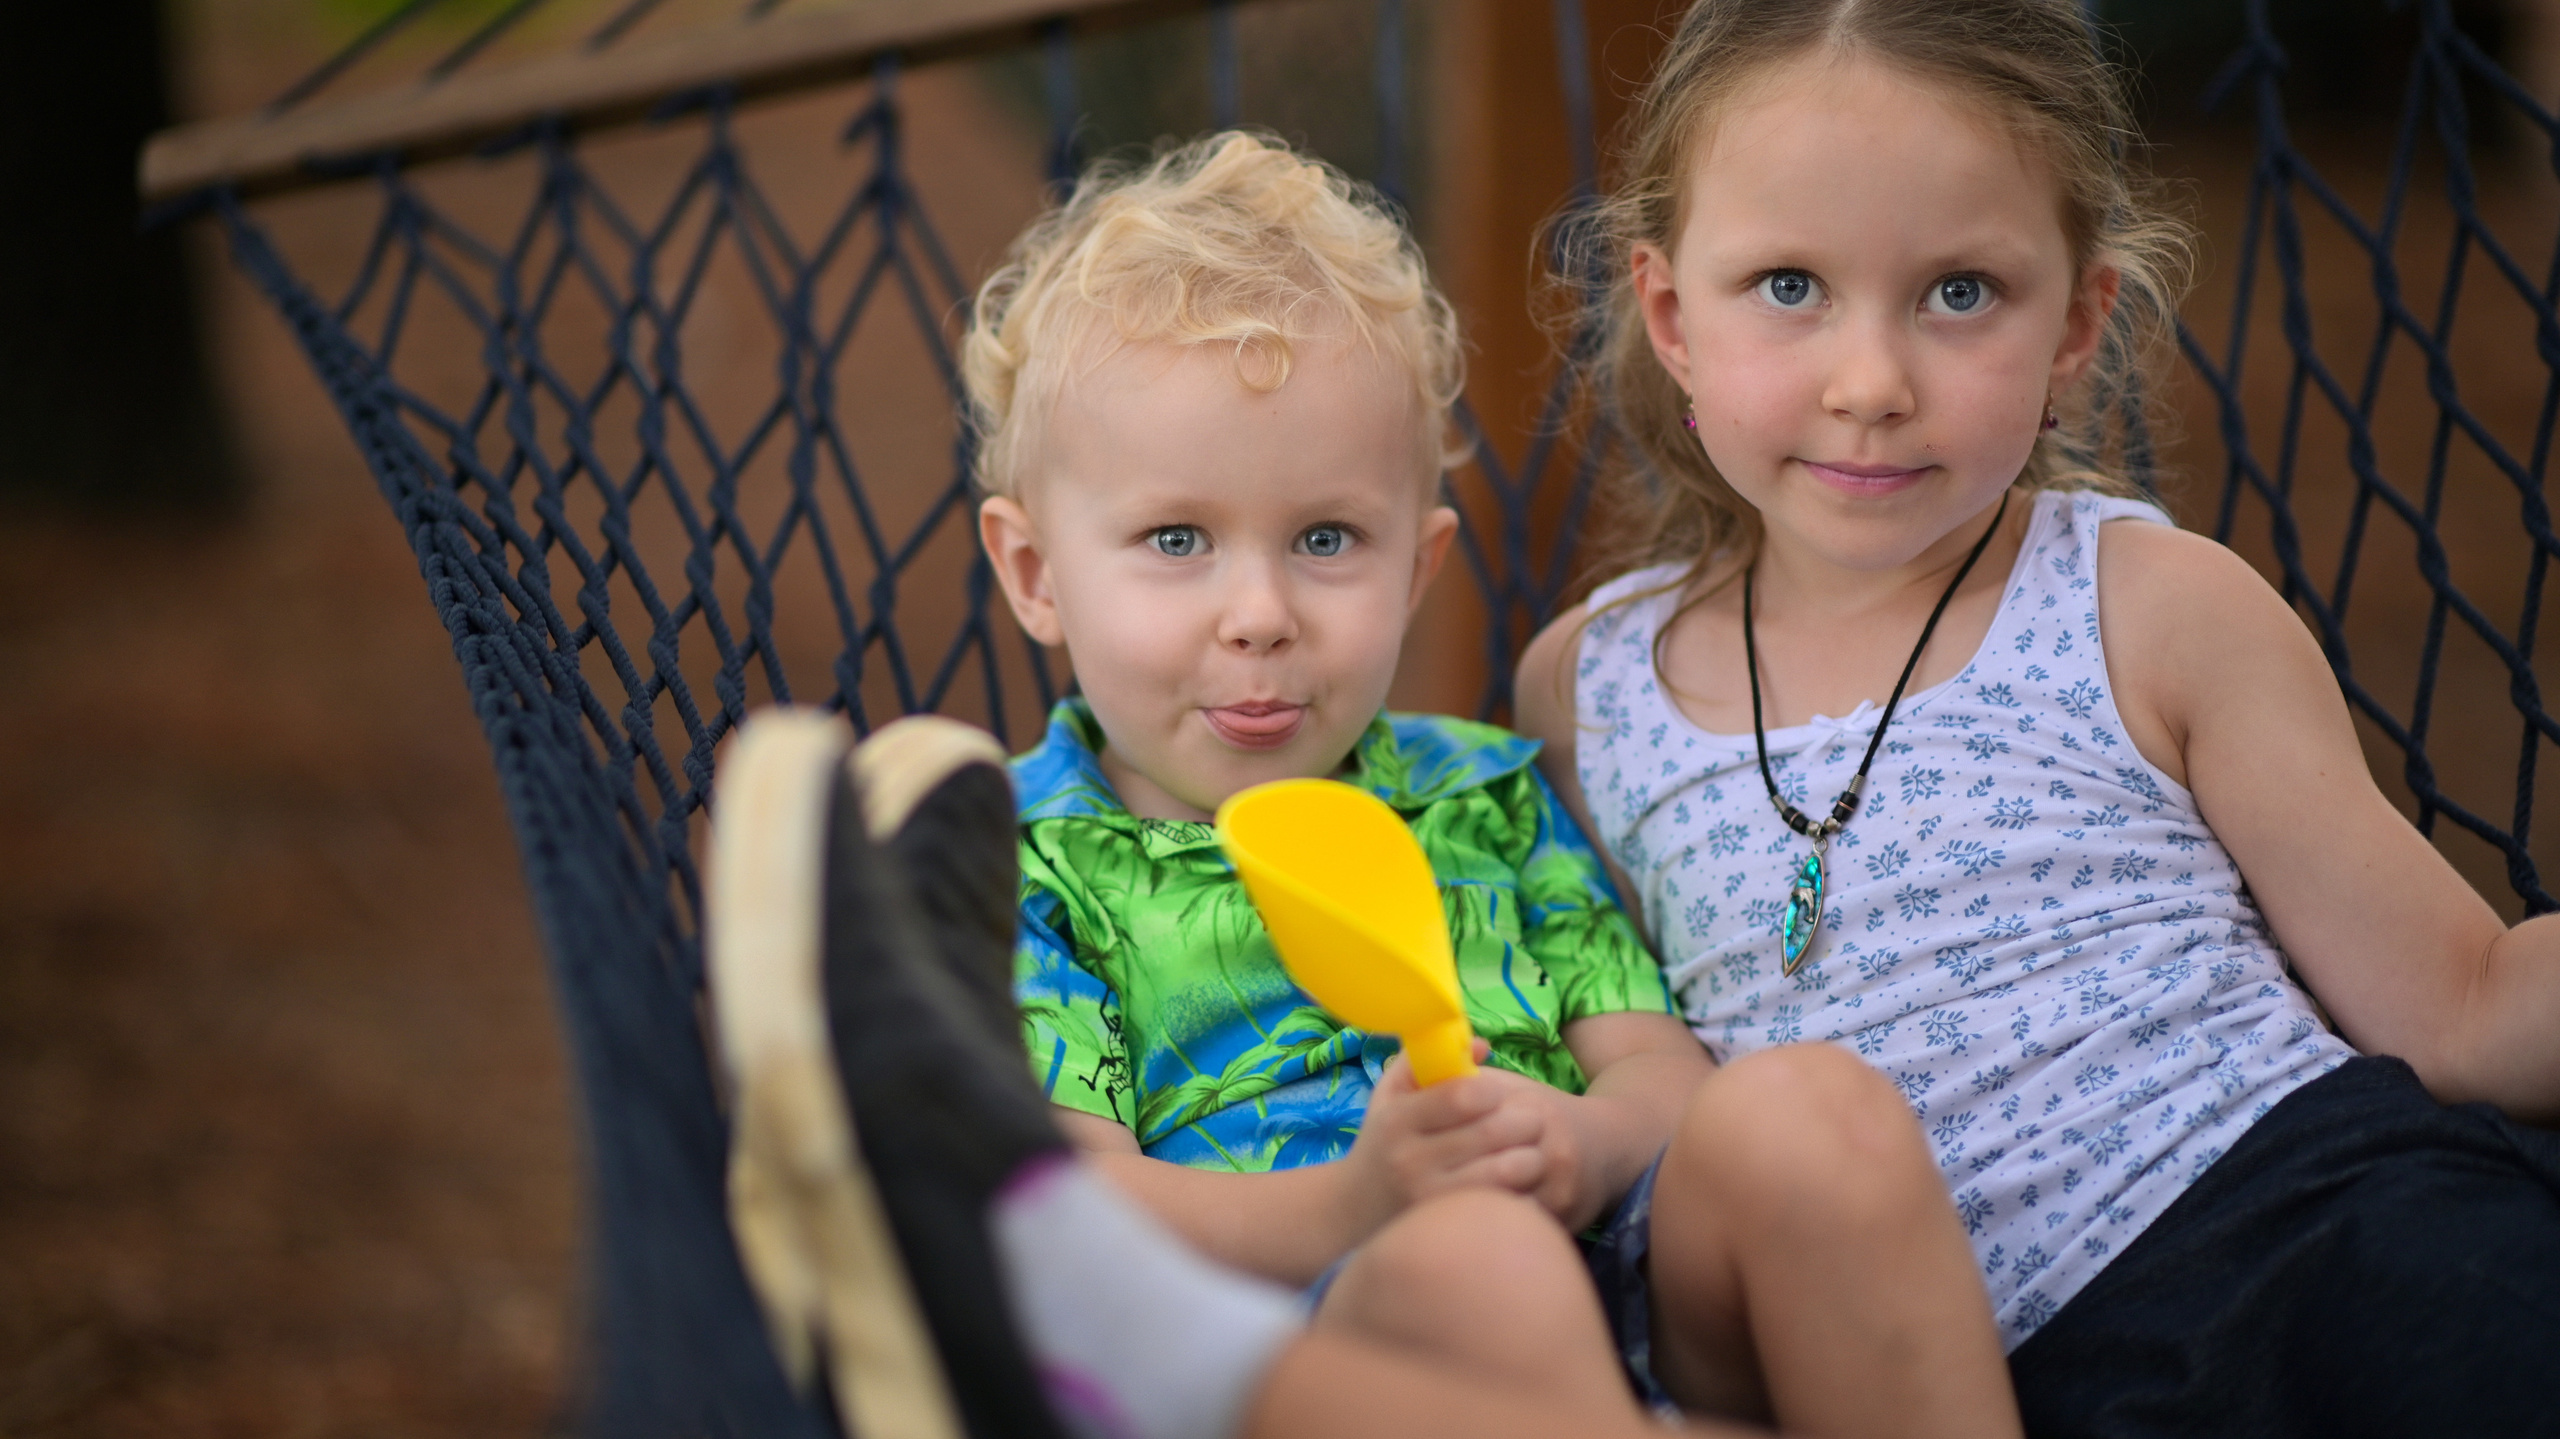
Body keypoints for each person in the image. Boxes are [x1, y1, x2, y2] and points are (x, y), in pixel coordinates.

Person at [1512, 2, 2560, 1435]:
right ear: (1672, 316)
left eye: (1958, 294)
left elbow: (2462, 1005)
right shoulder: (1589, 693)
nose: (1871, 385)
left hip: (2313, 1223)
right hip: (1945, 1375)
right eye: (1788, 286)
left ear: (2076, 321)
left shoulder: (2146, 605)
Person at [951, 131, 2017, 1433]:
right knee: (1476, 1255)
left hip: (1615, 1286)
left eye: (1327, 539)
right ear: (1035, 573)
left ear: (1419, 564)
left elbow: (1659, 1079)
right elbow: (1073, 1207)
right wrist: (1360, 1206)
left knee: (1816, 1113)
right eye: (1177, 540)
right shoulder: (1025, 859)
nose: (1260, 612)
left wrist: (1582, 1145)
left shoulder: (1484, 798)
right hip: (1299, 1352)